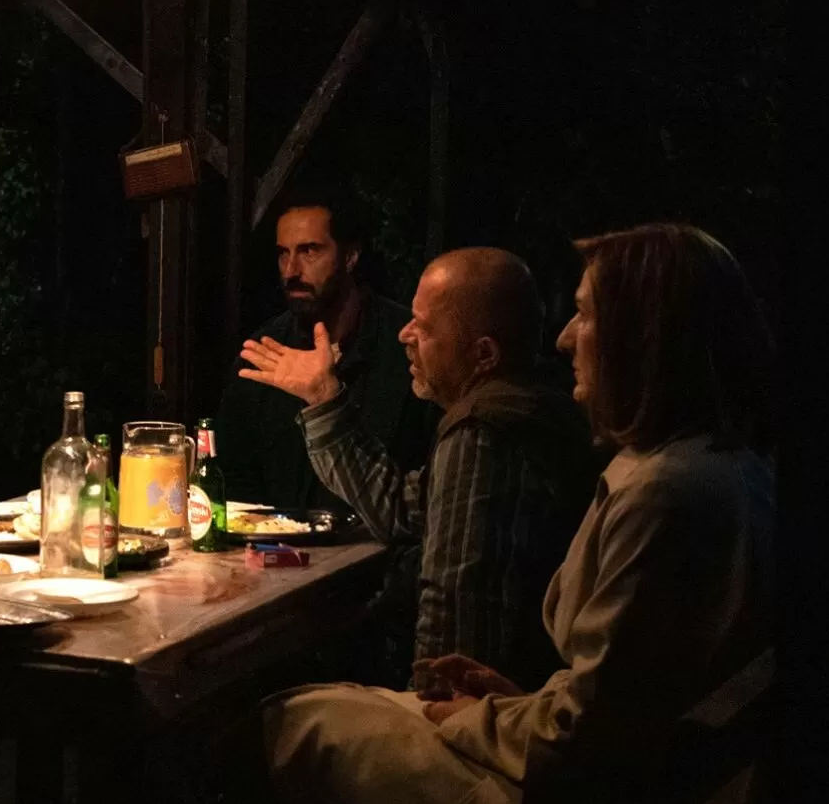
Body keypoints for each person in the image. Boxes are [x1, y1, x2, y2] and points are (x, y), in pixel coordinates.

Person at [259, 224, 775, 804]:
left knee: (283, 726)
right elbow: (620, 691)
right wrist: (516, 703)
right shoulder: (723, 468)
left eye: (586, 314)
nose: (563, 338)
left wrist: (461, 714)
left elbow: (553, 714)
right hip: (591, 766)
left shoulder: (655, 488)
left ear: (646, 337)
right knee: (322, 710)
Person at [241, 248, 596, 690]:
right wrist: (323, 397)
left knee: (274, 709)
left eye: (423, 327)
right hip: (518, 697)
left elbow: (454, 619)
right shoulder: (538, 401)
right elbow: (402, 507)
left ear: (484, 354)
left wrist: (424, 707)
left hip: (478, 707)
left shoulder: (482, 432)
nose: (403, 334)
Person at [218, 187, 438, 511]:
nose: (291, 271)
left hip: (381, 539)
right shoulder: (264, 352)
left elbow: (432, 487)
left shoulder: (407, 347)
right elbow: (234, 478)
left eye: (309, 251)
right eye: (283, 253)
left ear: (350, 257)